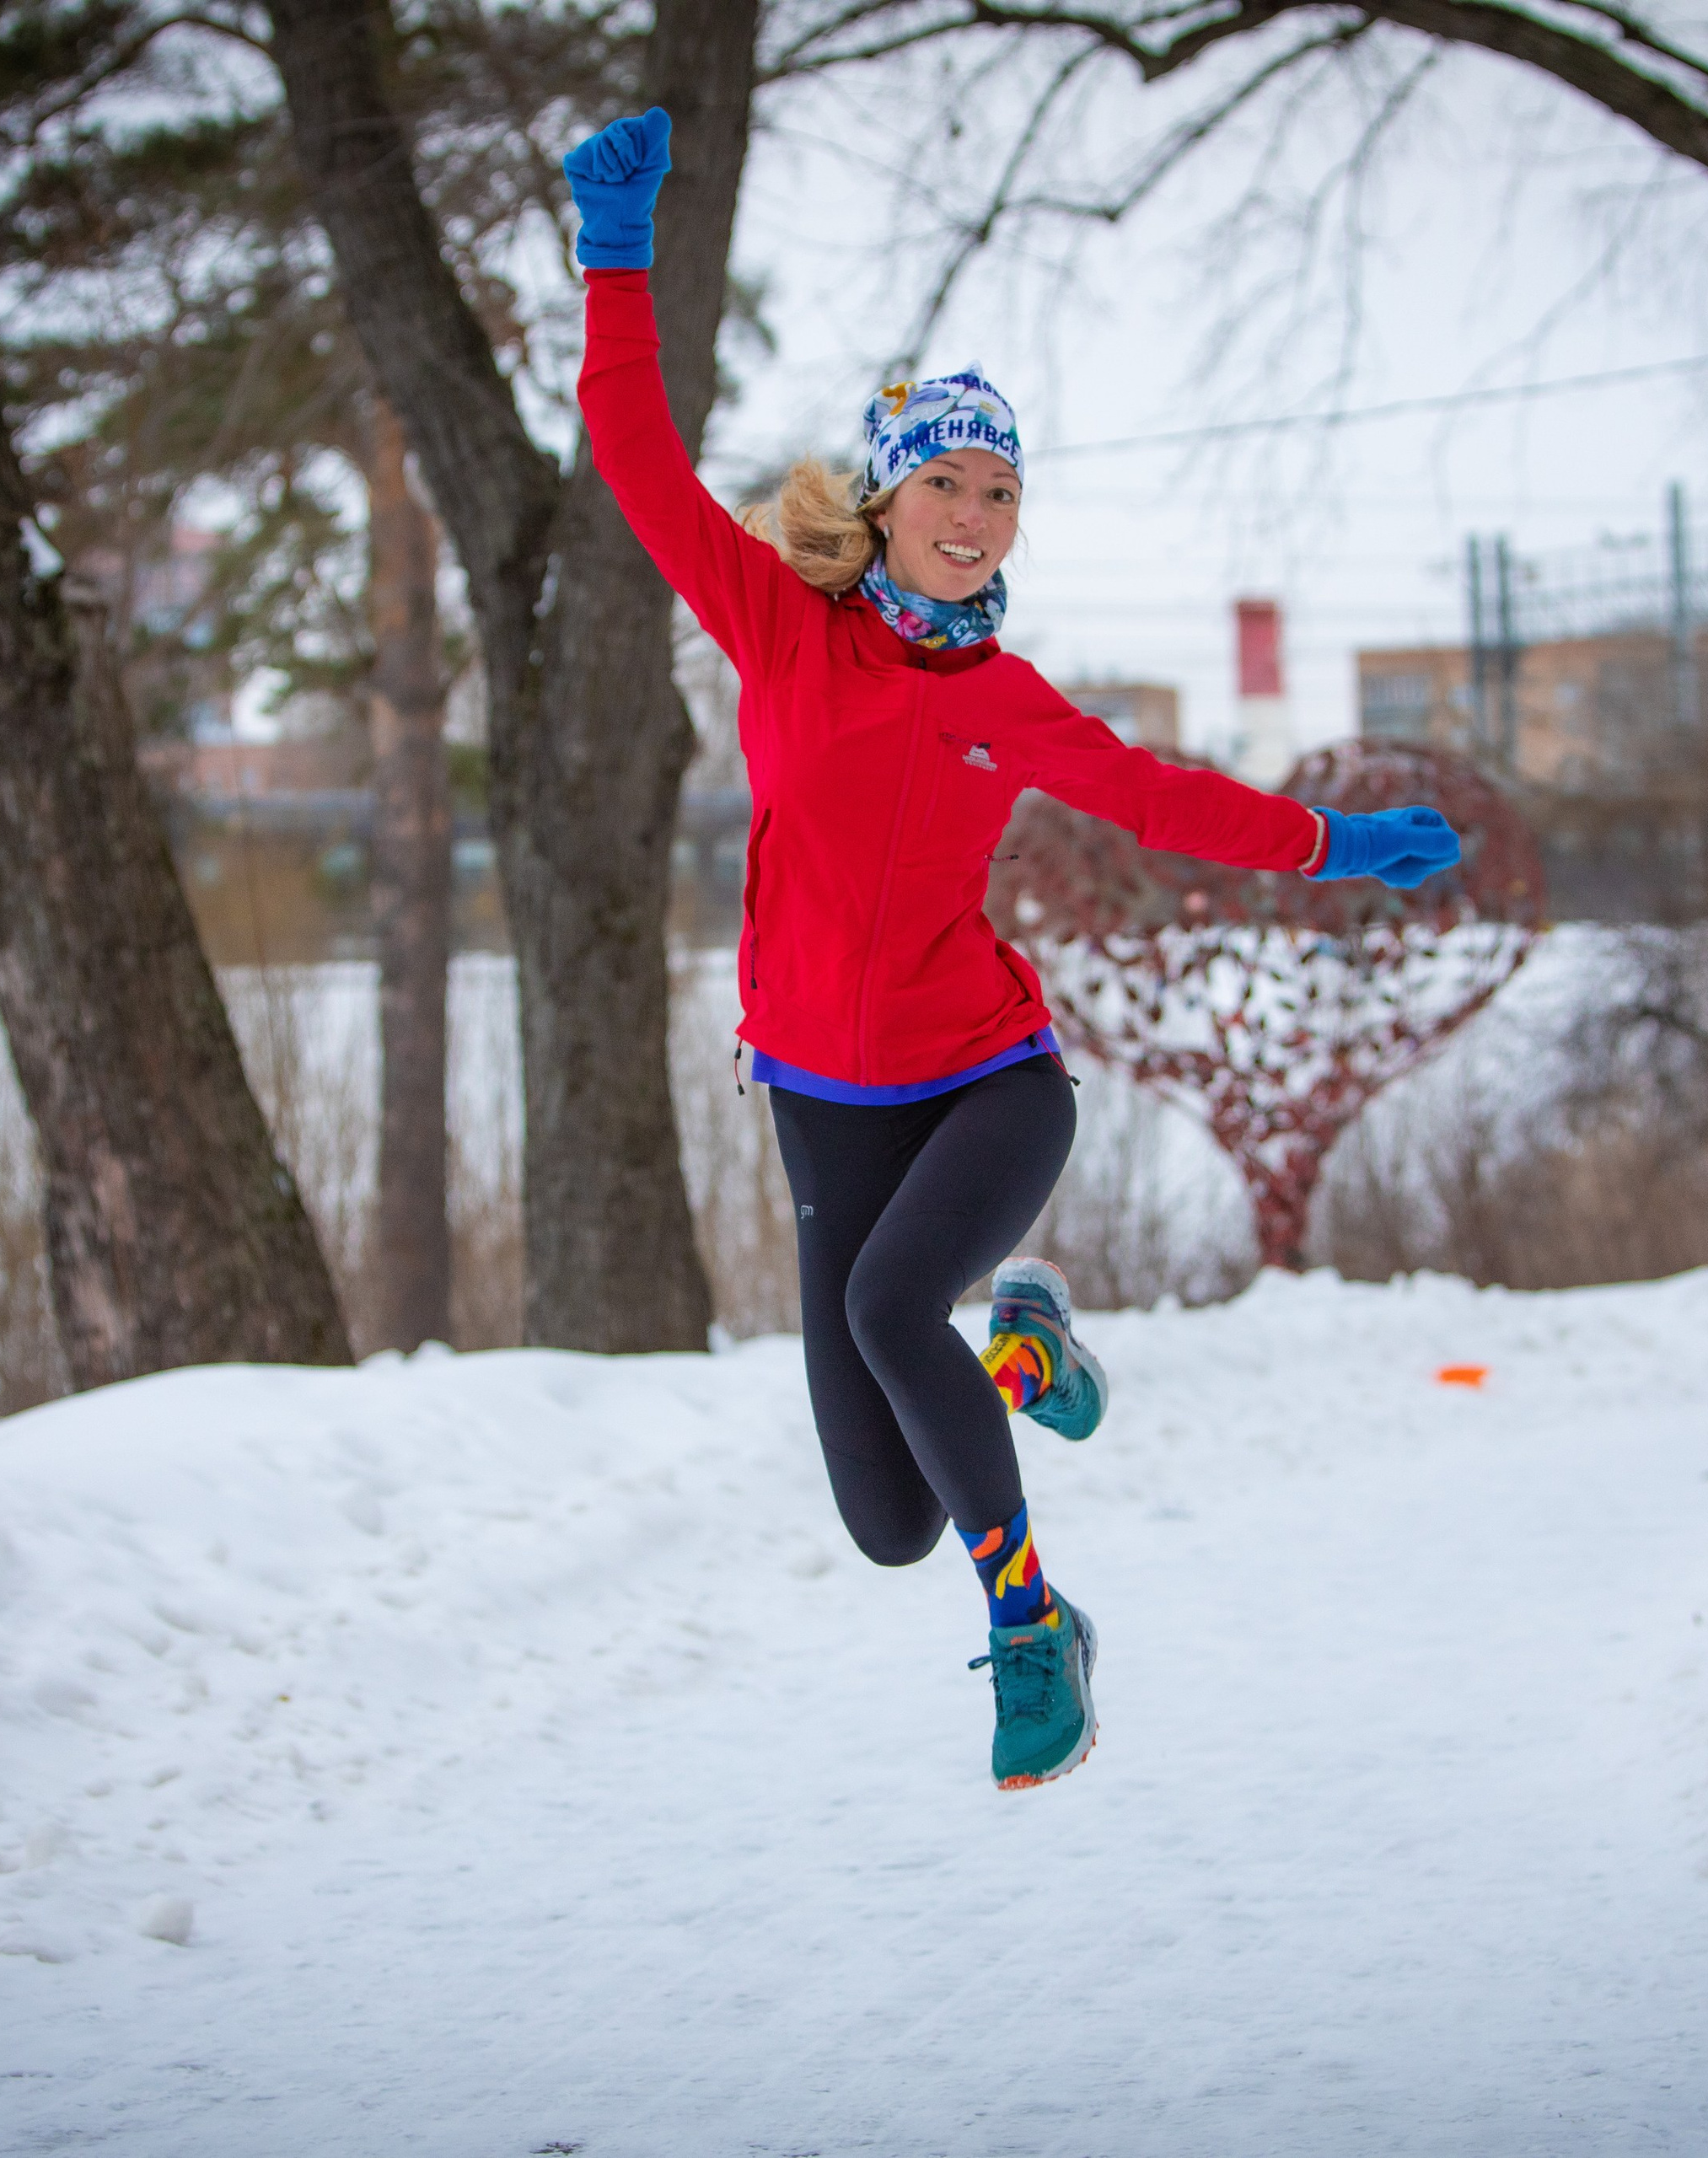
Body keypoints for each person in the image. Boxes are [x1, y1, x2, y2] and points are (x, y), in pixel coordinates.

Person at [564, 110, 1461, 1790]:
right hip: (819, 1097)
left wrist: (1333, 843)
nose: (975, 514)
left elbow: (1163, 800)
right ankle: (1025, 1340)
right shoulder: (780, 630)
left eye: (1001, 491)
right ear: (885, 496)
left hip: (988, 1078)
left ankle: (1036, 1626)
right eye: (947, 483)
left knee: (889, 1302)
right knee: (884, 1520)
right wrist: (617, 259)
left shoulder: (1007, 700)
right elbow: (634, 456)